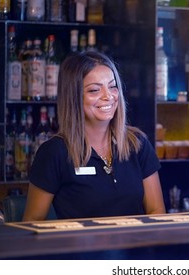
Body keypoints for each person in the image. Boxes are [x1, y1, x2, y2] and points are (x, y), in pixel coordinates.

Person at [23, 51, 165, 221]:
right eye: (95, 90)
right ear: (74, 97)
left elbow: (157, 211)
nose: (108, 96)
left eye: (113, 87)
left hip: (135, 246)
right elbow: (32, 223)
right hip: (81, 247)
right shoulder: (54, 152)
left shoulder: (137, 144)